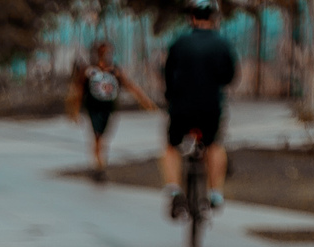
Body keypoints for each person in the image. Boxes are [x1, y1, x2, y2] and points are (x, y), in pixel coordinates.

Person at [161, 0, 237, 217]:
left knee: (171, 146)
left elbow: (167, 74)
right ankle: (215, 194)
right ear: (214, 19)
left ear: (191, 18)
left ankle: (175, 191)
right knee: (214, 145)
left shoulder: (179, 42)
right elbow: (230, 77)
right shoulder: (222, 44)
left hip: (181, 107)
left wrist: (170, 96)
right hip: (210, 107)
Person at [67, 39, 156, 182]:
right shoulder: (90, 71)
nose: (106, 55)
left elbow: (130, 85)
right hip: (94, 108)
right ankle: (99, 165)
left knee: (103, 136)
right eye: (103, 52)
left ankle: (99, 162)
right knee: (97, 136)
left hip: (108, 109)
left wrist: (144, 101)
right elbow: (78, 90)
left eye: (108, 52)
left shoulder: (115, 71)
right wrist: (74, 110)